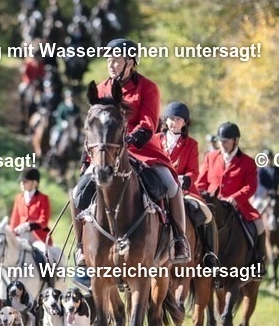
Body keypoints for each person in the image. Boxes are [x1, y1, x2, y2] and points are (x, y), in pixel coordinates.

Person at [72, 39, 191, 262]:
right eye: (109, 59)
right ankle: (80, 246)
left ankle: (179, 240)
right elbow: (92, 129)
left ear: (131, 63)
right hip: (105, 153)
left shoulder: (148, 88)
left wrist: (128, 140)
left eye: (116, 59)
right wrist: (85, 159)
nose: (111, 63)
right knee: (76, 193)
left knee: (172, 186)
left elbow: (148, 124)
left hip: (143, 150)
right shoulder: (100, 89)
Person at [152, 101, 218, 268]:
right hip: (155, 188)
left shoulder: (191, 145)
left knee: (207, 214)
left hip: (184, 189)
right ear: (166, 120)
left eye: (179, 120)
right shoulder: (153, 140)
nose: (175, 122)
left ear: (185, 123)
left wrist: (183, 180)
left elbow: (193, 171)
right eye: (172, 119)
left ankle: (209, 254)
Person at [195, 122, 265, 277]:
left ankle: (258, 261)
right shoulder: (210, 157)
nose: (223, 144)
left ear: (236, 141)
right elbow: (200, 182)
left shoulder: (248, 162)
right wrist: (203, 194)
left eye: (226, 141)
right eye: (221, 141)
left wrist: (235, 198)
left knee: (259, 225)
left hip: (238, 206)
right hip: (212, 204)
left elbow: (251, 187)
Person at [11, 168, 53, 245]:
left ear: (35, 183)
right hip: (21, 236)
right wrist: (12, 233)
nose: (23, 184)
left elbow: (44, 221)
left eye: (26, 181)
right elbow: (14, 220)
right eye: (22, 181)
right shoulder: (18, 198)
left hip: (39, 238)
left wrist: (29, 225)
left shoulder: (43, 198)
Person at [252, 148, 279, 220]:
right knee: (253, 210)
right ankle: (251, 230)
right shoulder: (260, 171)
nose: (269, 160)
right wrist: (265, 192)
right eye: (267, 158)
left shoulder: (278, 170)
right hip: (262, 198)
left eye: (270, 158)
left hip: (276, 197)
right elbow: (259, 185)